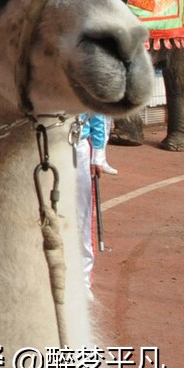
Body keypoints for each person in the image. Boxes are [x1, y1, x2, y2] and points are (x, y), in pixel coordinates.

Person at [76, 113, 115, 299]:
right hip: (47, 144)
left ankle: (83, 280)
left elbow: (96, 112)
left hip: (78, 145)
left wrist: (98, 154)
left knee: (82, 214)